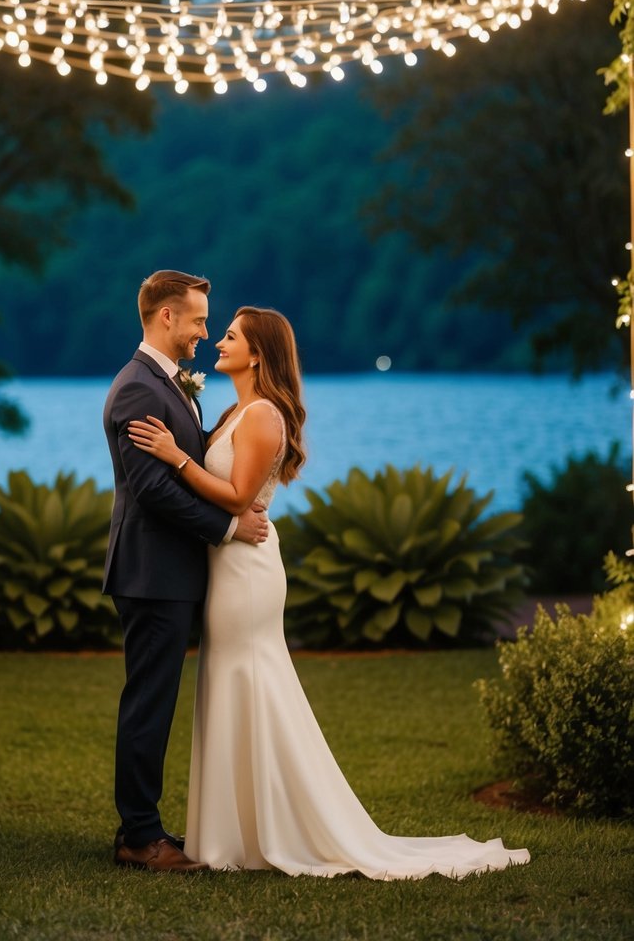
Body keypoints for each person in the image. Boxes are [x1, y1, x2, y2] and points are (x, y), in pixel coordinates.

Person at [128, 305, 531, 879]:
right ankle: (232, 831)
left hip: (246, 569)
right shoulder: (233, 411)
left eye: (232, 335)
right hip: (227, 565)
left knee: (249, 680)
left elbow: (240, 497)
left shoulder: (264, 414)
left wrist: (175, 456)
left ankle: (267, 831)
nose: (218, 340)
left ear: (259, 353)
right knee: (228, 681)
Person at [102, 271, 269, 874]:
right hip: (152, 573)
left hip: (170, 574)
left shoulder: (170, 384)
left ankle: (145, 826)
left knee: (157, 701)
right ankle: (139, 837)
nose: (205, 331)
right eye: (198, 320)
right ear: (166, 317)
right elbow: (150, 491)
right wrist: (226, 529)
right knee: (149, 704)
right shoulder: (138, 391)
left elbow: (185, 468)